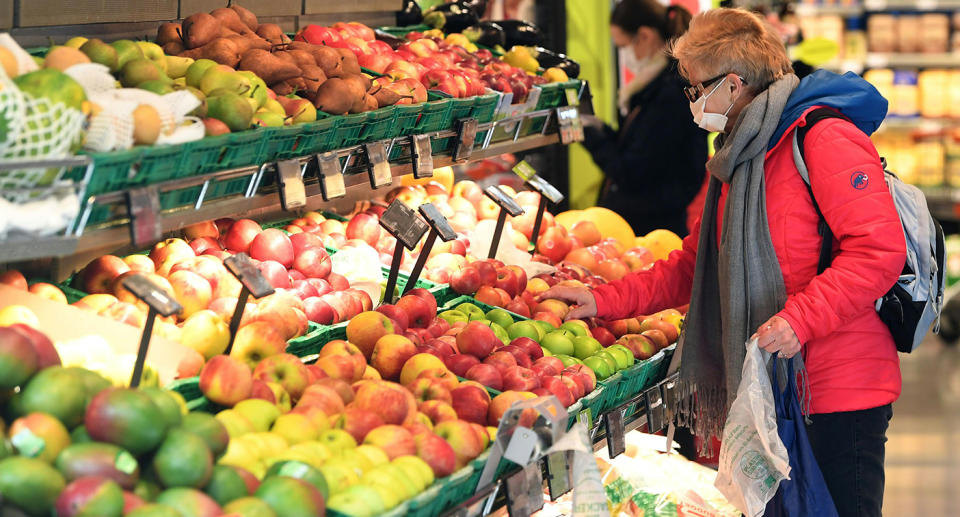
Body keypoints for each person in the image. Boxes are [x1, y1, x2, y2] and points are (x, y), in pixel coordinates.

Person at [543, 8, 905, 517]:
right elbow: (695, 264)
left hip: (837, 392)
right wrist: (603, 299)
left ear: (733, 85)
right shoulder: (739, 153)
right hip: (767, 391)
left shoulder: (822, 138)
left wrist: (798, 320)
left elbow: (878, 250)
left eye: (695, 88)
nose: (691, 101)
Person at [581, 0, 707, 237]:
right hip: (651, 220)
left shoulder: (668, 94)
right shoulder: (659, 85)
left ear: (645, 36)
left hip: (650, 229)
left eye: (622, 45)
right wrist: (599, 129)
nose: (623, 54)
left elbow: (632, 170)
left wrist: (590, 134)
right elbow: (638, 148)